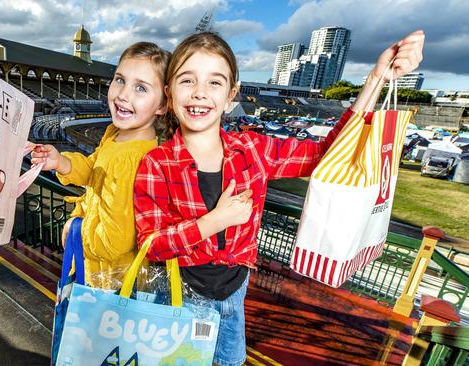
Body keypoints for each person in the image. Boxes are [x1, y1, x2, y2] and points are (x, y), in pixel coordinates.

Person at [134, 30, 424, 366]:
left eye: (215, 82)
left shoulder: (254, 150)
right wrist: (213, 222)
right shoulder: (155, 164)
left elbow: (327, 153)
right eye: (187, 80)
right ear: (169, 94)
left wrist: (376, 79)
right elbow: (151, 245)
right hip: (178, 296)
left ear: (231, 95)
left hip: (234, 293)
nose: (200, 93)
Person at [31, 42, 171, 288]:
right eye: (119, 80)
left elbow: (112, 241)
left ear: (162, 105)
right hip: (98, 274)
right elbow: (94, 169)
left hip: (108, 283)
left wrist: (77, 229)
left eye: (140, 87)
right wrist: (62, 162)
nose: (123, 94)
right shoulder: (115, 134)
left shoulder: (133, 159)